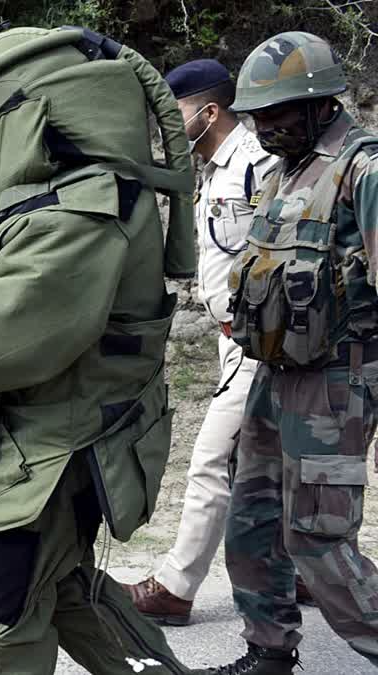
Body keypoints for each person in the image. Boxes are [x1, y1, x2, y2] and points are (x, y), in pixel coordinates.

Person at [0, 25, 197, 674]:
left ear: (27, 104)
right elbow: (11, 284)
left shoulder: (78, 208)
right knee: (61, 590)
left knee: (1, 619)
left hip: (47, 455)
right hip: (65, 446)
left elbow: (11, 336)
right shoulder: (78, 194)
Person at [195, 31, 378, 675]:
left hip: (338, 380)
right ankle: (269, 651)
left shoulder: (364, 170)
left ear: (320, 104)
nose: (264, 127)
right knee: (252, 520)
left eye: (277, 114)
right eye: (257, 116)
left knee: (318, 539)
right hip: (274, 377)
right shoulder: (280, 173)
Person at [124, 59, 288, 626]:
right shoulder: (214, 169)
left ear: (210, 112)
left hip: (260, 345)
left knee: (211, 462)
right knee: (270, 466)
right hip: (231, 341)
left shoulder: (258, 164)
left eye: (178, 115)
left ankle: (175, 586)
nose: (171, 127)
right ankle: (301, 574)